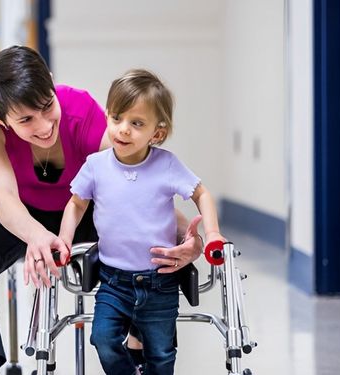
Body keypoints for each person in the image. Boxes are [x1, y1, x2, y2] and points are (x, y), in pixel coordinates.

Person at [0, 46, 204, 375]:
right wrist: (37, 236)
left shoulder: (80, 108)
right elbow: (3, 198)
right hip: (17, 212)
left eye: (48, 106)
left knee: (141, 223)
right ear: (0, 118)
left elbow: (138, 186)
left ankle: (138, 340)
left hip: (80, 210)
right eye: (26, 120)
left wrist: (186, 234)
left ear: (50, 82)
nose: (45, 125)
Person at [58, 68, 226, 374]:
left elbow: (202, 194)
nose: (123, 129)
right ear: (107, 115)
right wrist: (64, 241)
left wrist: (212, 233)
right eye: (117, 118)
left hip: (160, 280)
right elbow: (75, 205)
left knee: (161, 354)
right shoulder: (96, 166)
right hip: (113, 280)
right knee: (103, 339)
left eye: (136, 124)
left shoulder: (167, 165)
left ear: (156, 133)